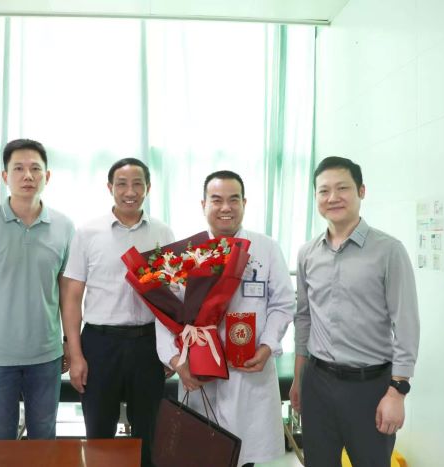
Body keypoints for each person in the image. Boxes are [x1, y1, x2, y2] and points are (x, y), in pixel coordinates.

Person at [156, 170, 295, 467]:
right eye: (216, 200)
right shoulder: (185, 254)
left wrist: (267, 346)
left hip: (248, 370)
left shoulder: (266, 248)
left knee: (245, 456)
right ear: (203, 204)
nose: (225, 207)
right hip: (199, 373)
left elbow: (283, 304)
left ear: (244, 203)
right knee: (202, 456)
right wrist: (177, 362)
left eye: (234, 199)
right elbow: (165, 311)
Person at [290, 156, 420, 467]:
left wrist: (398, 392)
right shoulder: (307, 253)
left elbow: (406, 325)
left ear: (361, 191)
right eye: (324, 191)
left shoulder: (388, 251)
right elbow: (304, 318)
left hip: (370, 387)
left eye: (342, 188)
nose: (333, 197)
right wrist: (298, 378)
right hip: (317, 382)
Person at [0, 138, 75, 440]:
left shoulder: (64, 227)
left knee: (44, 440)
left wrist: (70, 344)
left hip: (46, 356)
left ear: (47, 176)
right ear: (5, 176)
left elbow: (69, 296)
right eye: (18, 168)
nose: (27, 176)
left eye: (35, 169)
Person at [62, 158, 174, 467]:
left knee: (148, 432)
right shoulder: (88, 233)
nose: (130, 191)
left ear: (148, 188)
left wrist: (171, 350)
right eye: (122, 184)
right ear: (110, 187)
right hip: (100, 343)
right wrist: (76, 355)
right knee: (99, 432)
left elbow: (171, 296)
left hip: (147, 343)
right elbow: (72, 298)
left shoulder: (162, 233)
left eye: (137, 184)